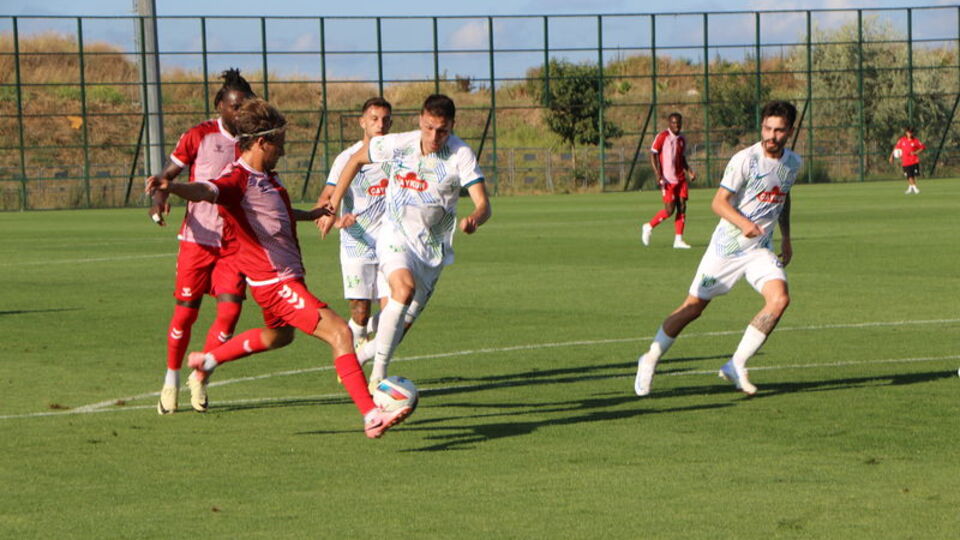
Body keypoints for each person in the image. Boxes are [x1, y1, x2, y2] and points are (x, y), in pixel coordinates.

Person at [146, 97, 411, 438]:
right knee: (340, 333)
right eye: (279, 145)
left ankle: (208, 360)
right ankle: (371, 415)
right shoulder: (236, 180)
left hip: (281, 280)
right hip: (276, 284)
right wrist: (175, 186)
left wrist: (311, 214)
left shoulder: (266, 178)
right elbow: (206, 190)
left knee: (279, 336)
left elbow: (274, 215)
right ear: (260, 142)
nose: (283, 152)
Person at [321, 94, 491, 388]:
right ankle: (377, 377)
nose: (434, 136)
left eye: (442, 130)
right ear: (420, 120)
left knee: (398, 323)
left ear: (452, 126)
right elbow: (356, 158)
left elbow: (484, 204)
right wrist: (333, 204)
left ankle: (359, 357)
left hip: (432, 249)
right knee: (403, 289)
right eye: (428, 128)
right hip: (394, 234)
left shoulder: (460, 154)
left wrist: (475, 217)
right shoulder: (401, 143)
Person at [633, 100, 802, 397]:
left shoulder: (793, 163)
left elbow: (783, 197)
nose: (771, 136)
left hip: (760, 249)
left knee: (780, 300)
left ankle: (736, 363)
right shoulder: (745, 160)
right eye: (767, 128)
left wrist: (786, 238)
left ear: (789, 131)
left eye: (778, 130)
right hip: (727, 249)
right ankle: (650, 357)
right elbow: (718, 202)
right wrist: (743, 222)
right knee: (692, 308)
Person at [148, 69, 255, 415]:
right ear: (220, 106)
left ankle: (202, 373)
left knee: (231, 311)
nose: (239, 113)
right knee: (185, 315)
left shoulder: (254, 142)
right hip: (198, 239)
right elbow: (168, 174)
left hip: (234, 243)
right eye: (234, 107)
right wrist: (158, 199)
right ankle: (170, 380)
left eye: (245, 107)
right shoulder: (200, 135)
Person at [315, 97, 393, 349]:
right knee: (360, 314)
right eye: (374, 119)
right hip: (356, 243)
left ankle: (377, 370)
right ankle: (354, 339)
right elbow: (324, 199)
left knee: (392, 311)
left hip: (390, 243)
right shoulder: (347, 158)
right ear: (363, 122)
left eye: (385, 119)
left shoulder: (398, 155)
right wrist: (337, 220)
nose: (380, 124)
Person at [641, 112, 696, 249]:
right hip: (667, 179)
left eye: (678, 123)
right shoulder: (662, 137)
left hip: (680, 179)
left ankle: (678, 240)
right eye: (674, 123)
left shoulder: (682, 139)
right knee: (669, 210)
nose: (676, 125)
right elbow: (653, 154)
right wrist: (657, 174)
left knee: (682, 207)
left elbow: (681, 158)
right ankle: (649, 226)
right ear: (669, 124)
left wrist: (689, 171)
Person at [890, 126, 925, 194]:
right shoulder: (902, 140)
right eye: (909, 132)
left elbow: (922, 147)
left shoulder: (915, 140)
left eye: (911, 132)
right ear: (906, 133)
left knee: (913, 175)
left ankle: (910, 188)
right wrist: (891, 156)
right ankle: (914, 188)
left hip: (914, 161)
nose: (910, 134)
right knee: (909, 176)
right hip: (905, 162)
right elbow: (896, 148)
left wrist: (915, 152)